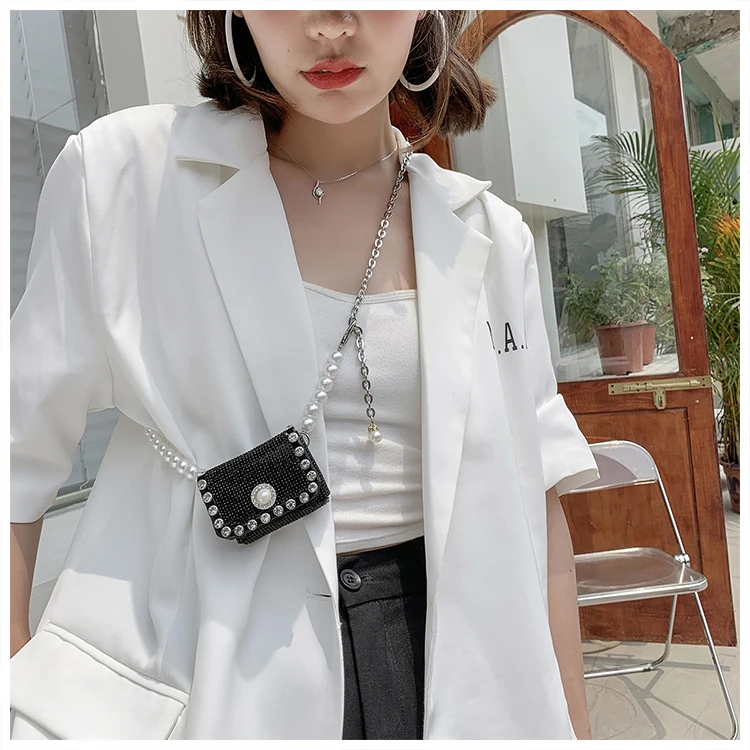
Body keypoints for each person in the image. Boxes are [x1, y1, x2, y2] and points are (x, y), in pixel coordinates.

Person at [9, 9, 599, 740]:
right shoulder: (126, 178)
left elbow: (537, 498)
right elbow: (17, 449)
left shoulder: (491, 234)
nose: (330, 25)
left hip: (454, 656)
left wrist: (573, 727)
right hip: (200, 670)